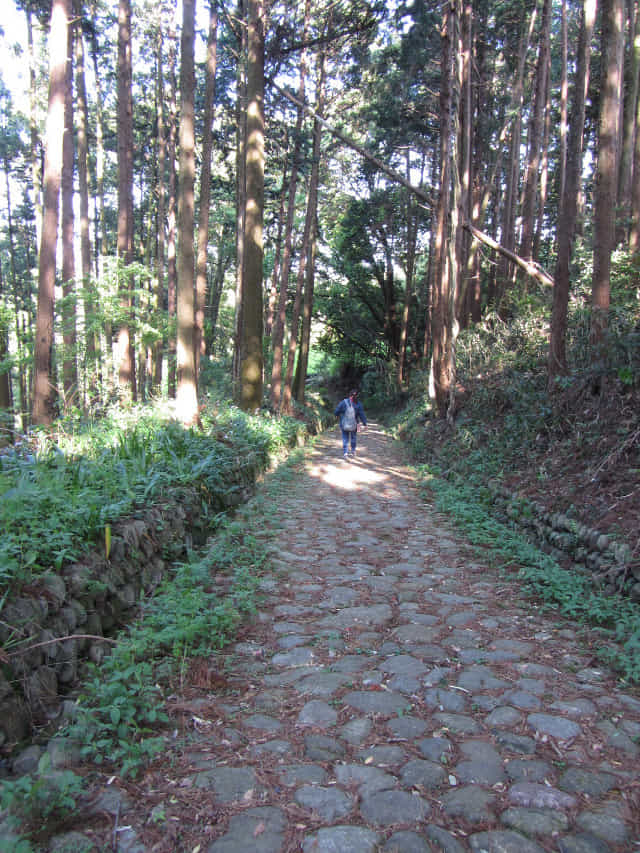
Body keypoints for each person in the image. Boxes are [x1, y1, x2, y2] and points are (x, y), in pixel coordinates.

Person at [334, 389, 367, 458]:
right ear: (357, 396)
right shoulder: (358, 404)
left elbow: (336, 411)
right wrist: (364, 424)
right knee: (353, 437)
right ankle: (353, 451)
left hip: (344, 424)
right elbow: (362, 415)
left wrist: (338, 415)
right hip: (354, 424)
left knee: (345, 438)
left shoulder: (343, 402)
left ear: (350, 395)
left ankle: (345, 453)